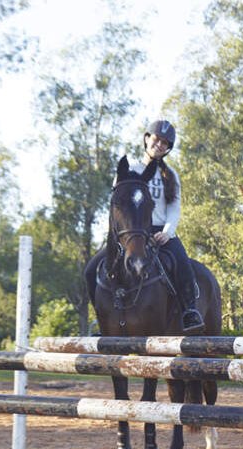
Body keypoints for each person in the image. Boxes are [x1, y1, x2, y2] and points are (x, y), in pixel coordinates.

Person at [85, 119, 204, 332]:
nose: (159, 145)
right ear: (147, 138)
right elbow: (118, 204)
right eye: (157, 139)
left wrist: (167, 232)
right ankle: (103, 320)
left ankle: (190, 312)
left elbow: (174, 208)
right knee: (90, 270)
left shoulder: (171, 175)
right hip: (131, 232)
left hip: (160, 233)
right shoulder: (129, 168)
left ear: (168, 148)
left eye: (165, 143)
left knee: (183, 264)